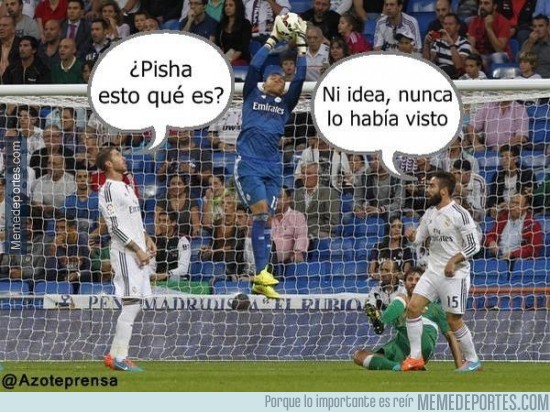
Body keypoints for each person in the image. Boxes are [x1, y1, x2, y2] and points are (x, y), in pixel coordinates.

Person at [234, 17, 307, 299]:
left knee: (267, 220)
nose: (279, 79)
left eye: (281, 78)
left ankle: (262, 277)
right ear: (264, 82)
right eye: (274, 76)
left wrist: (301, 47)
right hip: (250, 163)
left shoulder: (286, 103)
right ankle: (261, 273)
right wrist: (272, 41)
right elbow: (254, 66)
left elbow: (298, 78)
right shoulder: (251, 93)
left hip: (273, 168)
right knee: (261, 212)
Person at [401, 171, 482, 372]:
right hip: (433, 271)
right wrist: (412, 236)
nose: (428, 190)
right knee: (413, 308)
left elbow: (474, 245)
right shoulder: (429, 213)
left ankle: (472, 360)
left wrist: (453, 261)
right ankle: (415, 358)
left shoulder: (460, 214)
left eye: (432, 186)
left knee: (453, 320)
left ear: (444, 191)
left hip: (455, 275)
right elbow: (419, 239)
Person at [97, 147, 157, 372]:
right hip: (125, 253)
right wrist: (137, 249)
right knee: (131, 304)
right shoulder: (108, 190)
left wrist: (147, 238)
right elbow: (114, 227)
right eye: (116, 156)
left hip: (137, 250)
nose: (122, 158)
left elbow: (134, 219)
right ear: (108, 164)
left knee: (135, 304)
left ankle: (115, 356)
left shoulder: (127, 187)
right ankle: (119, 357)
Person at [353, 267, 462, 371]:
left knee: (402, 298)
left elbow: (451, 336)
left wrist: (459, 366)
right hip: (400, 344)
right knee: (359, 356)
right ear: (404, 283)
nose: (413, 282)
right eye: (410, 279)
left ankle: (381, 322)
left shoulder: (434, 307)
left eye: (418, 280)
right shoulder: (397, 305)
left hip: (423, 343)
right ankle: (399, 367)